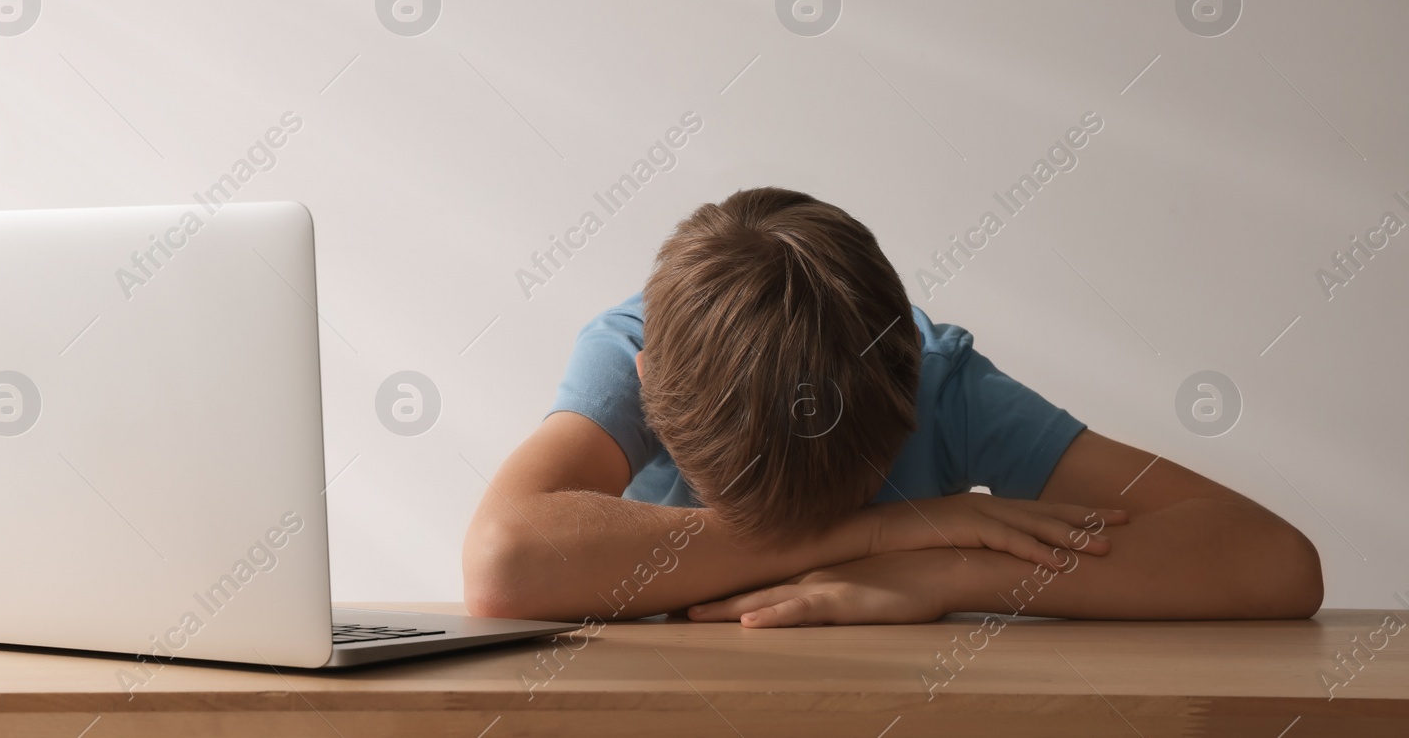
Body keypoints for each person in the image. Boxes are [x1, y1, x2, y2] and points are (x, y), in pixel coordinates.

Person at [462, 187, 1323, 627]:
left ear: (905, 385)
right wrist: (880, 530)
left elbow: (1276, 561)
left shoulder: (931, 378)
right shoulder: (630, 349)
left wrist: (949, 572)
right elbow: (502, 566)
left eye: (854, 500)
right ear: (648, 382)